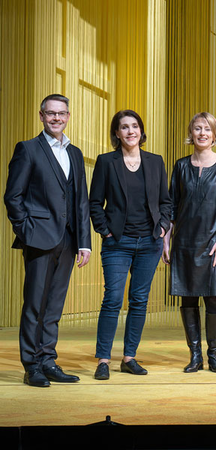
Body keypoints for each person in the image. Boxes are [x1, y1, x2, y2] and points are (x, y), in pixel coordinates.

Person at [4, 94, 92, 387]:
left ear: (68, 117)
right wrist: (26, 230)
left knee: (54, 305)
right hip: (38, 238)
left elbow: (81, 201)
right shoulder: (28, 149)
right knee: (34, 305)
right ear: (41, 116)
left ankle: (48, 359)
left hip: (68, 240)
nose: (56, 118)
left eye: (62, 113)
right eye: (51, 113)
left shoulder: (75, 153)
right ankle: (32, 365)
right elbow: (13, 196)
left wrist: (84, 242)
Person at [89, 110, 171, 380]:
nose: (130, 131)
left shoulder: (156, 162)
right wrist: (106, 232)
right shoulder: (106, 162)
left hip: (149, 242)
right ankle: (103, 360)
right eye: (124, 127)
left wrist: (162, 227)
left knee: (139, 301)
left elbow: (165, 201)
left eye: (134, 126)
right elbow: (94, 203)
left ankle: (129, 357)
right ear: (116, 133)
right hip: (118, 243)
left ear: (141, 130)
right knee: (112, 300)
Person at [162, 112, 216, 374]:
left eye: (207, 129)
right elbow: (172, 206)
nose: (202, 133)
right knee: (188, 301)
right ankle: (195, 356)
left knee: (214, 301)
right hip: (184, 243)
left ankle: (214, 356)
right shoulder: (180, 166)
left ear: (215, 135)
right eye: (197, 129)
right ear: (191, 133)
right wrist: (166, 241)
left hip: (213, 244)